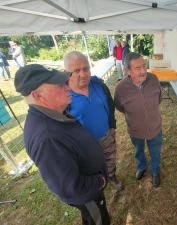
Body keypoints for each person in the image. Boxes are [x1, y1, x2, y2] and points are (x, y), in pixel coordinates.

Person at [14, 64, 110, 225]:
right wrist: (100, 181)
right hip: (89, 194)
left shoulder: (55, 113)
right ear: (38, 95)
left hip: (90, 188)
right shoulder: (47, 137)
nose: (67, 88)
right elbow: (69, 187)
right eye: (59, 85)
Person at [64, 51, 123, 191]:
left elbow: (110, 105)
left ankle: (112, 177)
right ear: (66, 72)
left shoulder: (99, 85)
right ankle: (97, 184)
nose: (83, 74)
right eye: (76, 71)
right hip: (84, 144)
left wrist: (112, 126)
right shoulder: (64, 95)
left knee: (110, 159)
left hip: (106, 136)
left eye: (86, 69)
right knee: (90, 167)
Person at [114, 52, 162, 188]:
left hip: (155, 126)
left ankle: (155, 171)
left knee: (155, 151)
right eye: (137, 68)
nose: (143, 71)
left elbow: (158, 99)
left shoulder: (153, 79)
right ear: (128, 71)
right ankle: (141, 167)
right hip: (135, 130)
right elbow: (119, 107)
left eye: (143, 66)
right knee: (138, 151)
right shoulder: (121, 88)